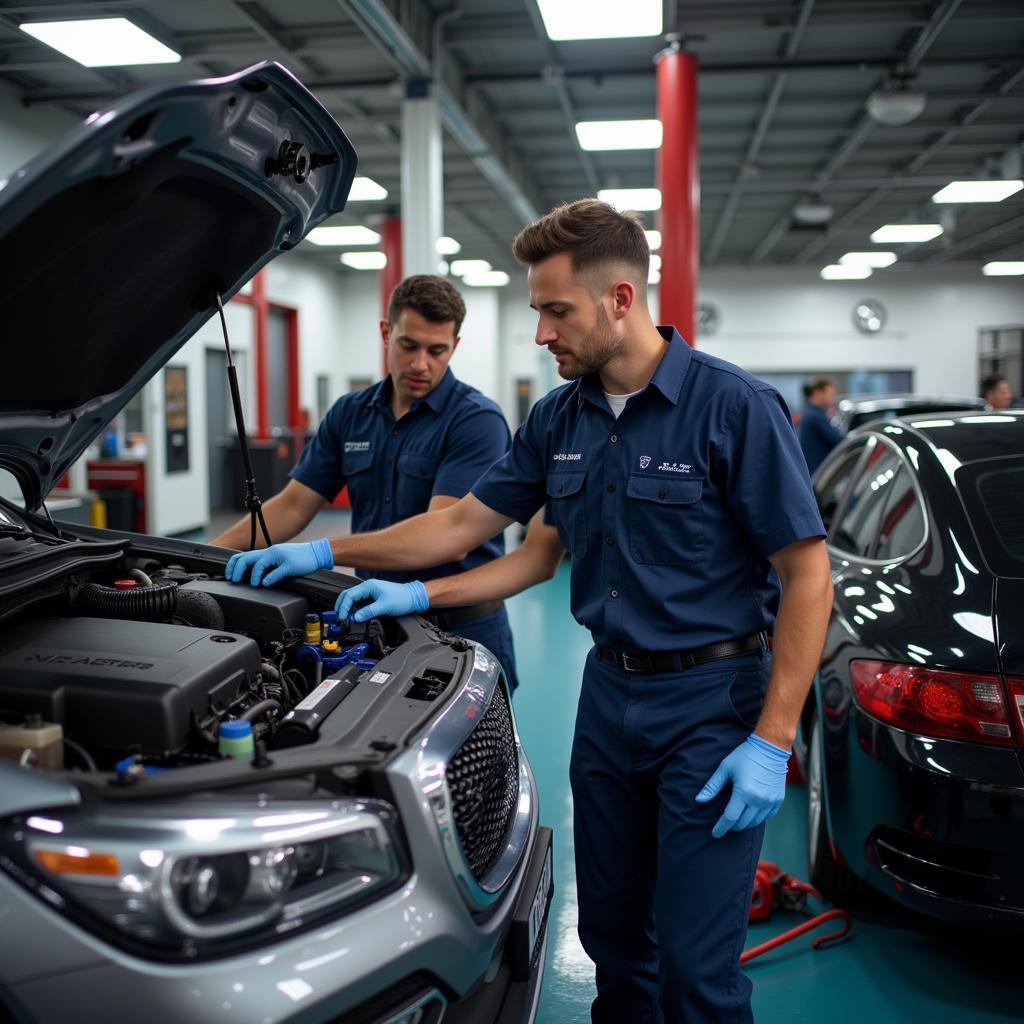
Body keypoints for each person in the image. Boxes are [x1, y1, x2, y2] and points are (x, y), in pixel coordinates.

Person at [226, 199, 833, 1023]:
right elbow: (463, 525)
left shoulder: (732, 408)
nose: (541, 333)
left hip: (712, 706)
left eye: (556, 311)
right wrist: (335, 553)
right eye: (537, 312)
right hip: (608, 697)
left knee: (697, 973)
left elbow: (807, 574)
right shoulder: (559, 419)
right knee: (615, 943)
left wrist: (773, 737)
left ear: (620, 299)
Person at [212, 273, 520, 689]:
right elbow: (293, 505)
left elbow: (444, 532)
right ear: (385, 332)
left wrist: (324, 551)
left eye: (437, 350)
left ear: (455, 347)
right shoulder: (350, 413)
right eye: (408, 345)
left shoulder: (476, 421)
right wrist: (203, 553)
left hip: (460, 627)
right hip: (375, 618)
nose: (420, 364)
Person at [797, 375, 844, 475]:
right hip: (819, 476)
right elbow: (840, 441)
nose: (832, 399)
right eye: (830, 395)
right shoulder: (816, 416)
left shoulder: (810, 413)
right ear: (818, 393)